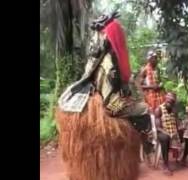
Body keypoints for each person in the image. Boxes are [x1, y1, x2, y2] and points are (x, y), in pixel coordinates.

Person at [55, 12, 150, 180]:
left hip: (91, 93)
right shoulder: (110, 62)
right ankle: (147, 146)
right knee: (144, 110)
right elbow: (111, 97)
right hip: (111, 104)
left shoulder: (95, 58)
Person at [154, 92, 181, 175]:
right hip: (162, 132)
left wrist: (180, 128)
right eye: (168, 101)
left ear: (174, 102)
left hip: (173, 132)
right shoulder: (159, 109)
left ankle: (181, 158)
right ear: (165, 100)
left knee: (187, 134)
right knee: (165, 138)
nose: (169, 103)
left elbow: (177, 124)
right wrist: (167, 133)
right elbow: (158, 127)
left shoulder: (174, 110)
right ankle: (165, 165)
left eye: (172, 101)